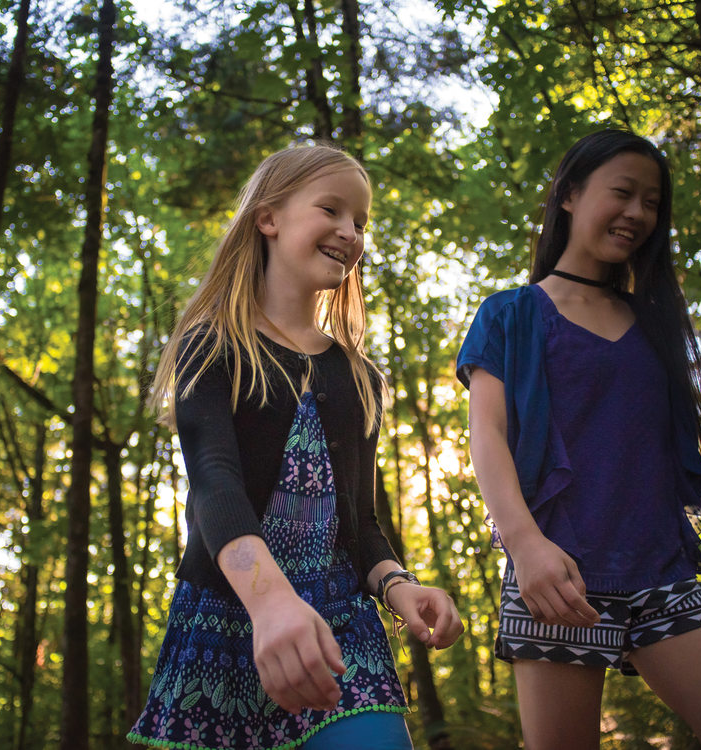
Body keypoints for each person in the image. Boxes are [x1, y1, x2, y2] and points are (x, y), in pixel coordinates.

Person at [456, 129, 701, 749]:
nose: (637, 213)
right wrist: (525, 547)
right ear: (571, 195)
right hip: (558, 577)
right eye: (622, 192)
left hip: (662, 571)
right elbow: (487, 437)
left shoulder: (651, 322)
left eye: (651, 202)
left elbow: (677, 462)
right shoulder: (511, 313)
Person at [129, 144, 464, 750]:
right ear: (269, 218)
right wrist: (272, 604)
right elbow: (214, 482)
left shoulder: (359, 376)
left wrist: (399, 586)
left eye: (360, 222)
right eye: (332, 210)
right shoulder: (211, 345)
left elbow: (361, 526)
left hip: (343, 625)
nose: (350, 232)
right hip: (226, 620)